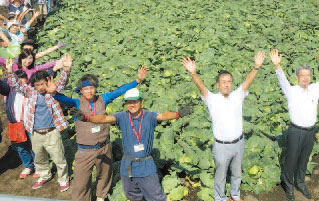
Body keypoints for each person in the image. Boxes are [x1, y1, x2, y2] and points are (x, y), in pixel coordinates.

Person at [47, 62, 148, 201]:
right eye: (86, 88)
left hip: (104, 147)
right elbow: (63, 99)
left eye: (92, 87)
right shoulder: (77, 103)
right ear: (81, 91)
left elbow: (120, 91)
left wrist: (137, 81)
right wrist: (54, 93)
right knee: (81, 182)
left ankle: (101, 196)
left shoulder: (103, 99)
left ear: (96, 88)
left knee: (105, 175)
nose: (89, 91)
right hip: (85, 150)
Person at [71, 87, 192, 201]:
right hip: (127, 166)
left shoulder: (149, 116)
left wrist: (177, 114)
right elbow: (104, 119)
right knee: (132, 196)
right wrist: (87, 118)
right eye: (129, 102)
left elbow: (163, 116)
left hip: (146, 166)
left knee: (156, 196)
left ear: (141, 102)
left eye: (135, 101)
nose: (132, 105)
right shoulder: (122, 116)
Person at [182, 51, 266, 201]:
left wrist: (256, 67)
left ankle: (235, 195)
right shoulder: (212, 99)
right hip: (221, 146)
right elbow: (201, 87)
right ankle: (220, 198)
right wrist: (193, 73)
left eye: (229, 81)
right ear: (218, 85)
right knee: (220, 175)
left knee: (237, 173)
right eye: (223, 81)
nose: (227, 84)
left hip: (238, 142)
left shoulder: (238, 95)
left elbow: (248, 81)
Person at [270, 46, 319, 201]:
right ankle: (288, 184)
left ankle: (300, 182)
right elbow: (282, 79)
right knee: (292, 159)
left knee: (304, 158)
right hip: (295, 131)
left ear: (310, 76)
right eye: (302, 75)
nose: (305, 78)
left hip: (310, 130)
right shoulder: (291, 91)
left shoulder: (315, 89)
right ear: (297, 77)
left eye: (308, 75)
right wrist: (277, 65)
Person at [6, 58, 70, 191]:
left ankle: (63, 179)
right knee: (39, 158)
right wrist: (10, 71)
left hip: (51, 132)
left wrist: (66, 70)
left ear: (48, 81)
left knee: (58, 158)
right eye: (37, 85)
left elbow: (62, 82)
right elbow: (16, 85)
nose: (40, 87)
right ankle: (44, 175)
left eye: (42, 84)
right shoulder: (31, 92)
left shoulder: (53, 92)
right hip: (35, 132)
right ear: (34, 85)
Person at [1, 69, 37, 179]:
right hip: (16, 124)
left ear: (27, 79)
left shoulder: (31, 91)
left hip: (30, 124)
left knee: (35, 145)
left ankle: (39, 167)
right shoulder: (10, 92)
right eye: (17, 79)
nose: (20, 81)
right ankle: (28, 166)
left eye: (22, 78)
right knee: (21, 147)